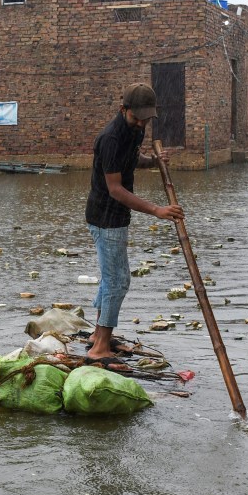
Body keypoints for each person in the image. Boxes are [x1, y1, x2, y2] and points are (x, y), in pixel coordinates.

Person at [85, 83, 184, 366]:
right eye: (136, 117)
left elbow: (130, 160)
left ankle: (97, 335)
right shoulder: (111, 138)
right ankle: (100, 348)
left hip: (115, 216)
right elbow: (115, 188)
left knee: (110, 277)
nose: (141, 123)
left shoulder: (135, 129)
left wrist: (152, 160)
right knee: (118, 280)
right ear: (123, 109)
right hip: (106, 217)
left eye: (145, 118)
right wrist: (157, 210)